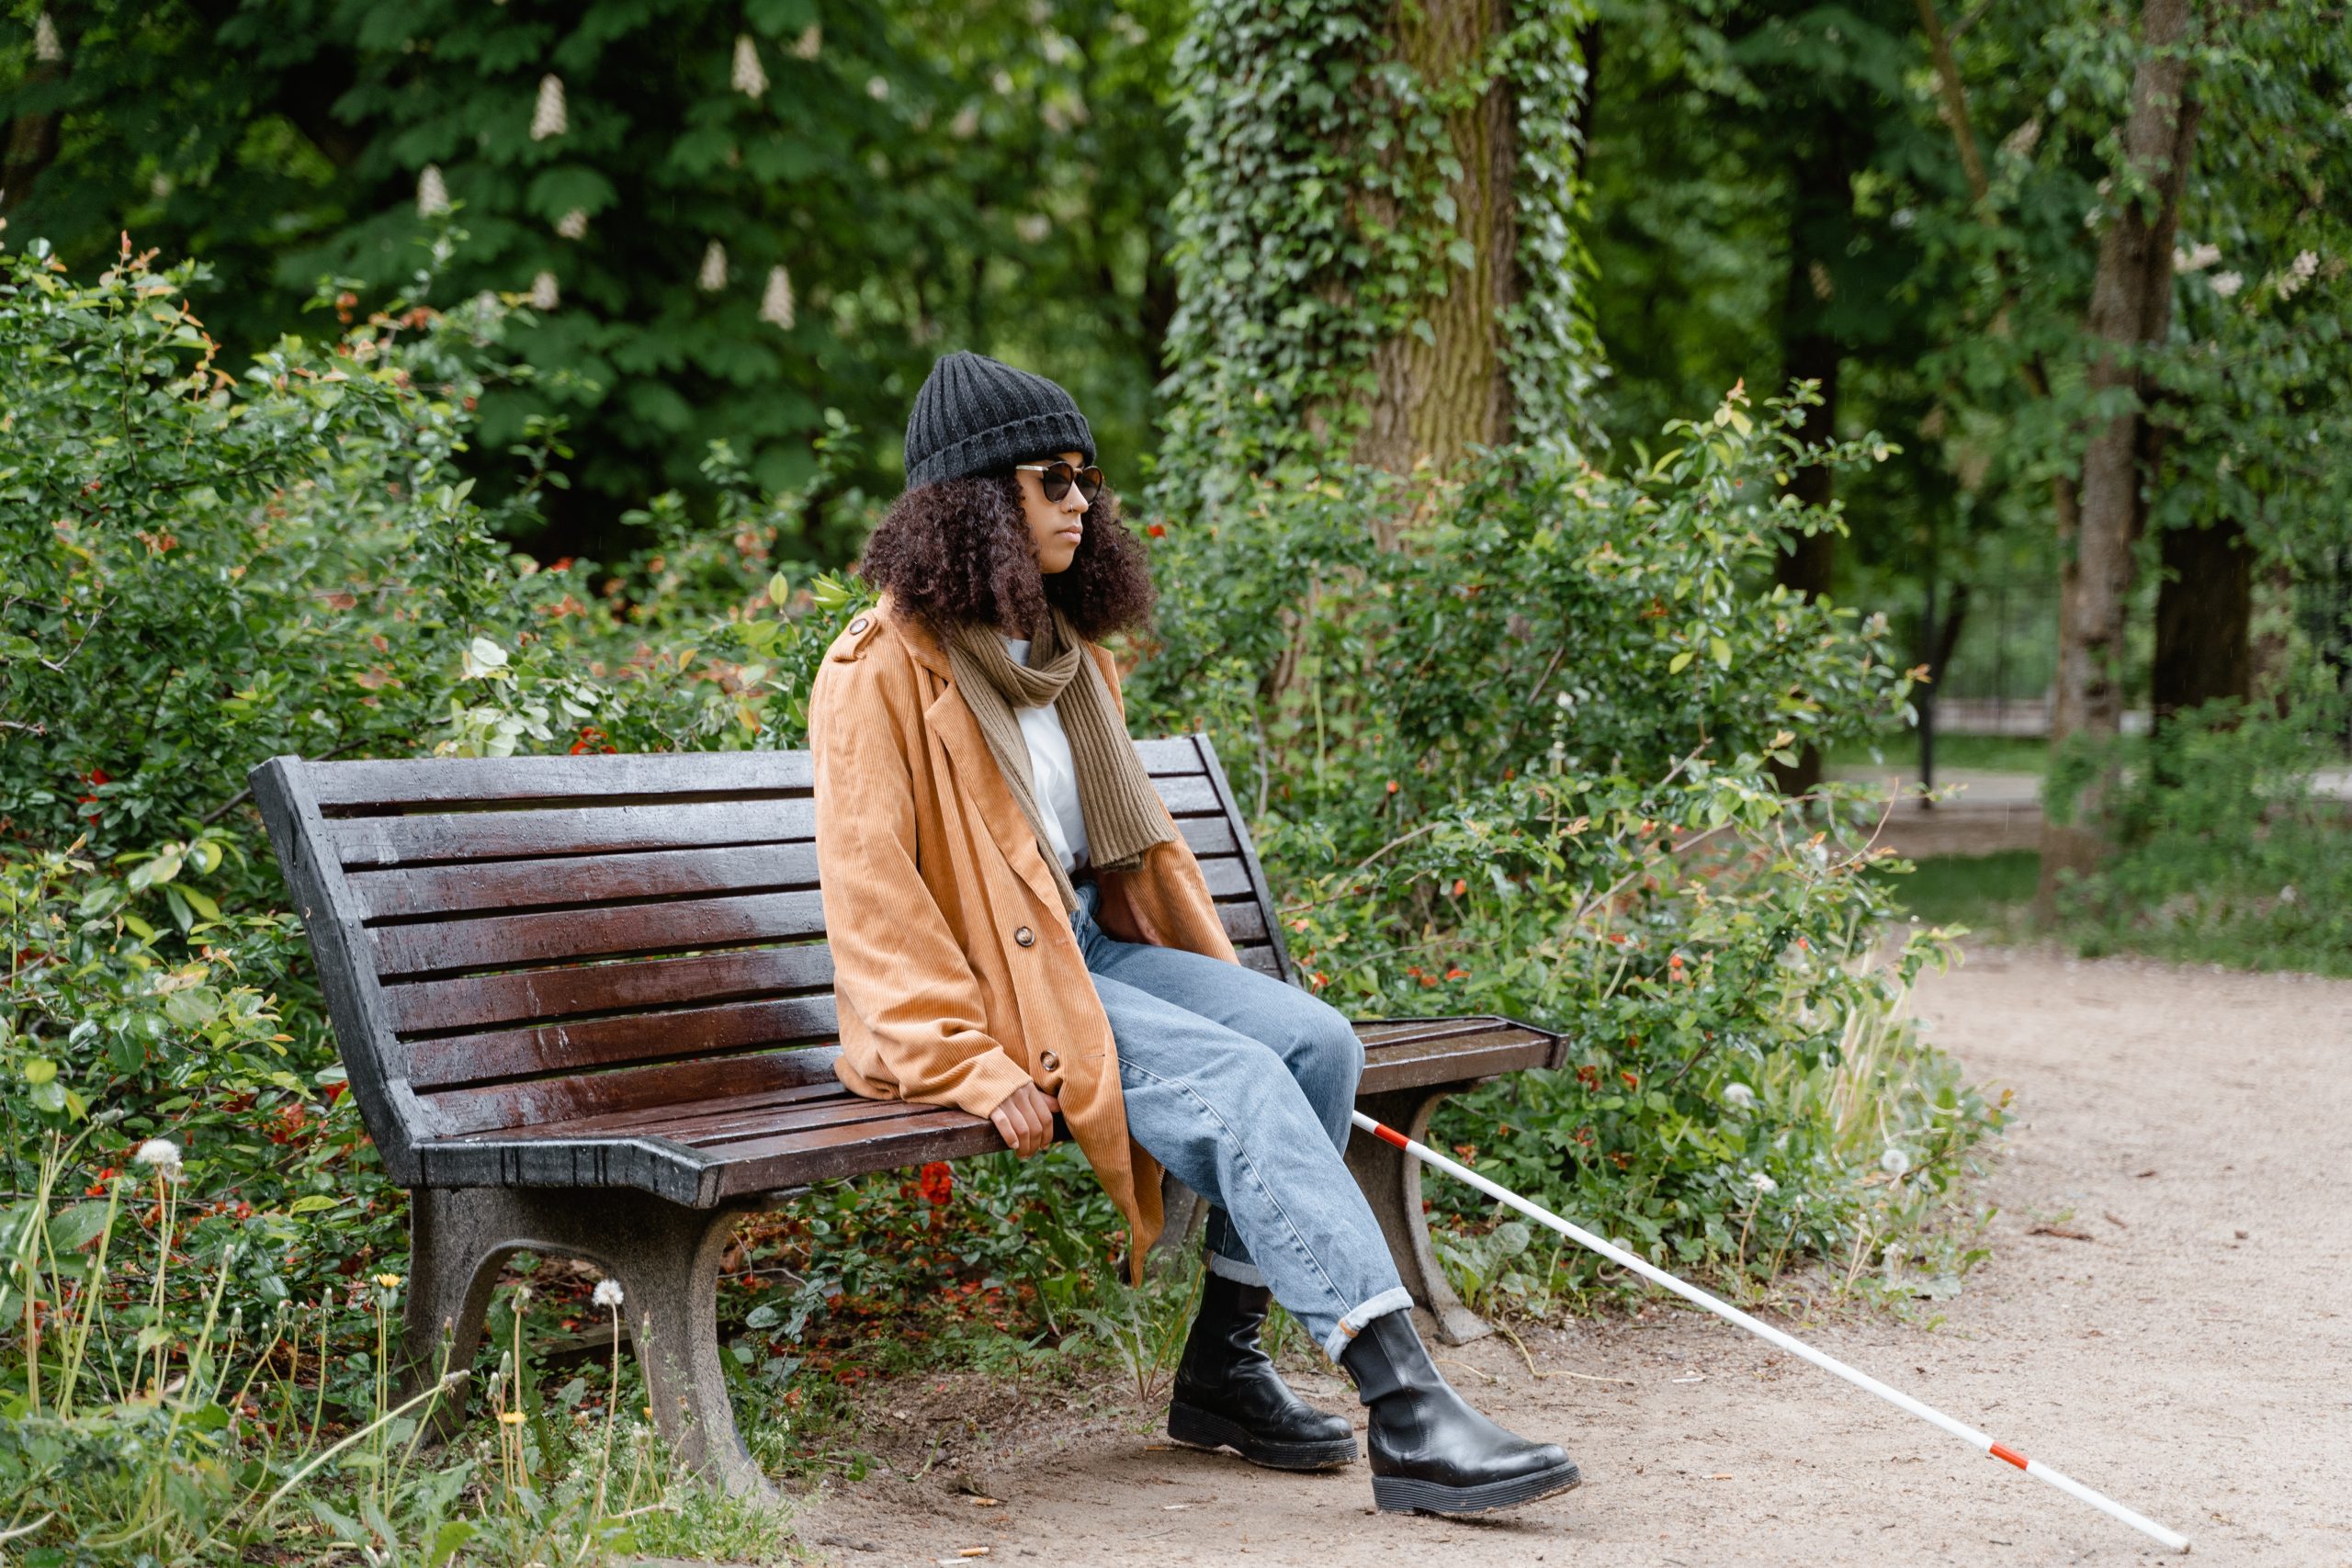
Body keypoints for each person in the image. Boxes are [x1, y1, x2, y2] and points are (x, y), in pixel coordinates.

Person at [808, 349, 1581, 1516]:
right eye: (1051, 480)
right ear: (975, 503)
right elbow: (871, 905)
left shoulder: (1069, 660)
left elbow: (1111, 865)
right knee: (1240, 1082)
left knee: (1314, 1044)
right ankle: (1410, 1413)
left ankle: (1222, 1369)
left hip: (1084, 949)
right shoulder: (878, 674)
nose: (1082, 501)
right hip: (1005, 992)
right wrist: (959, 1059)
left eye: (1088, 478)